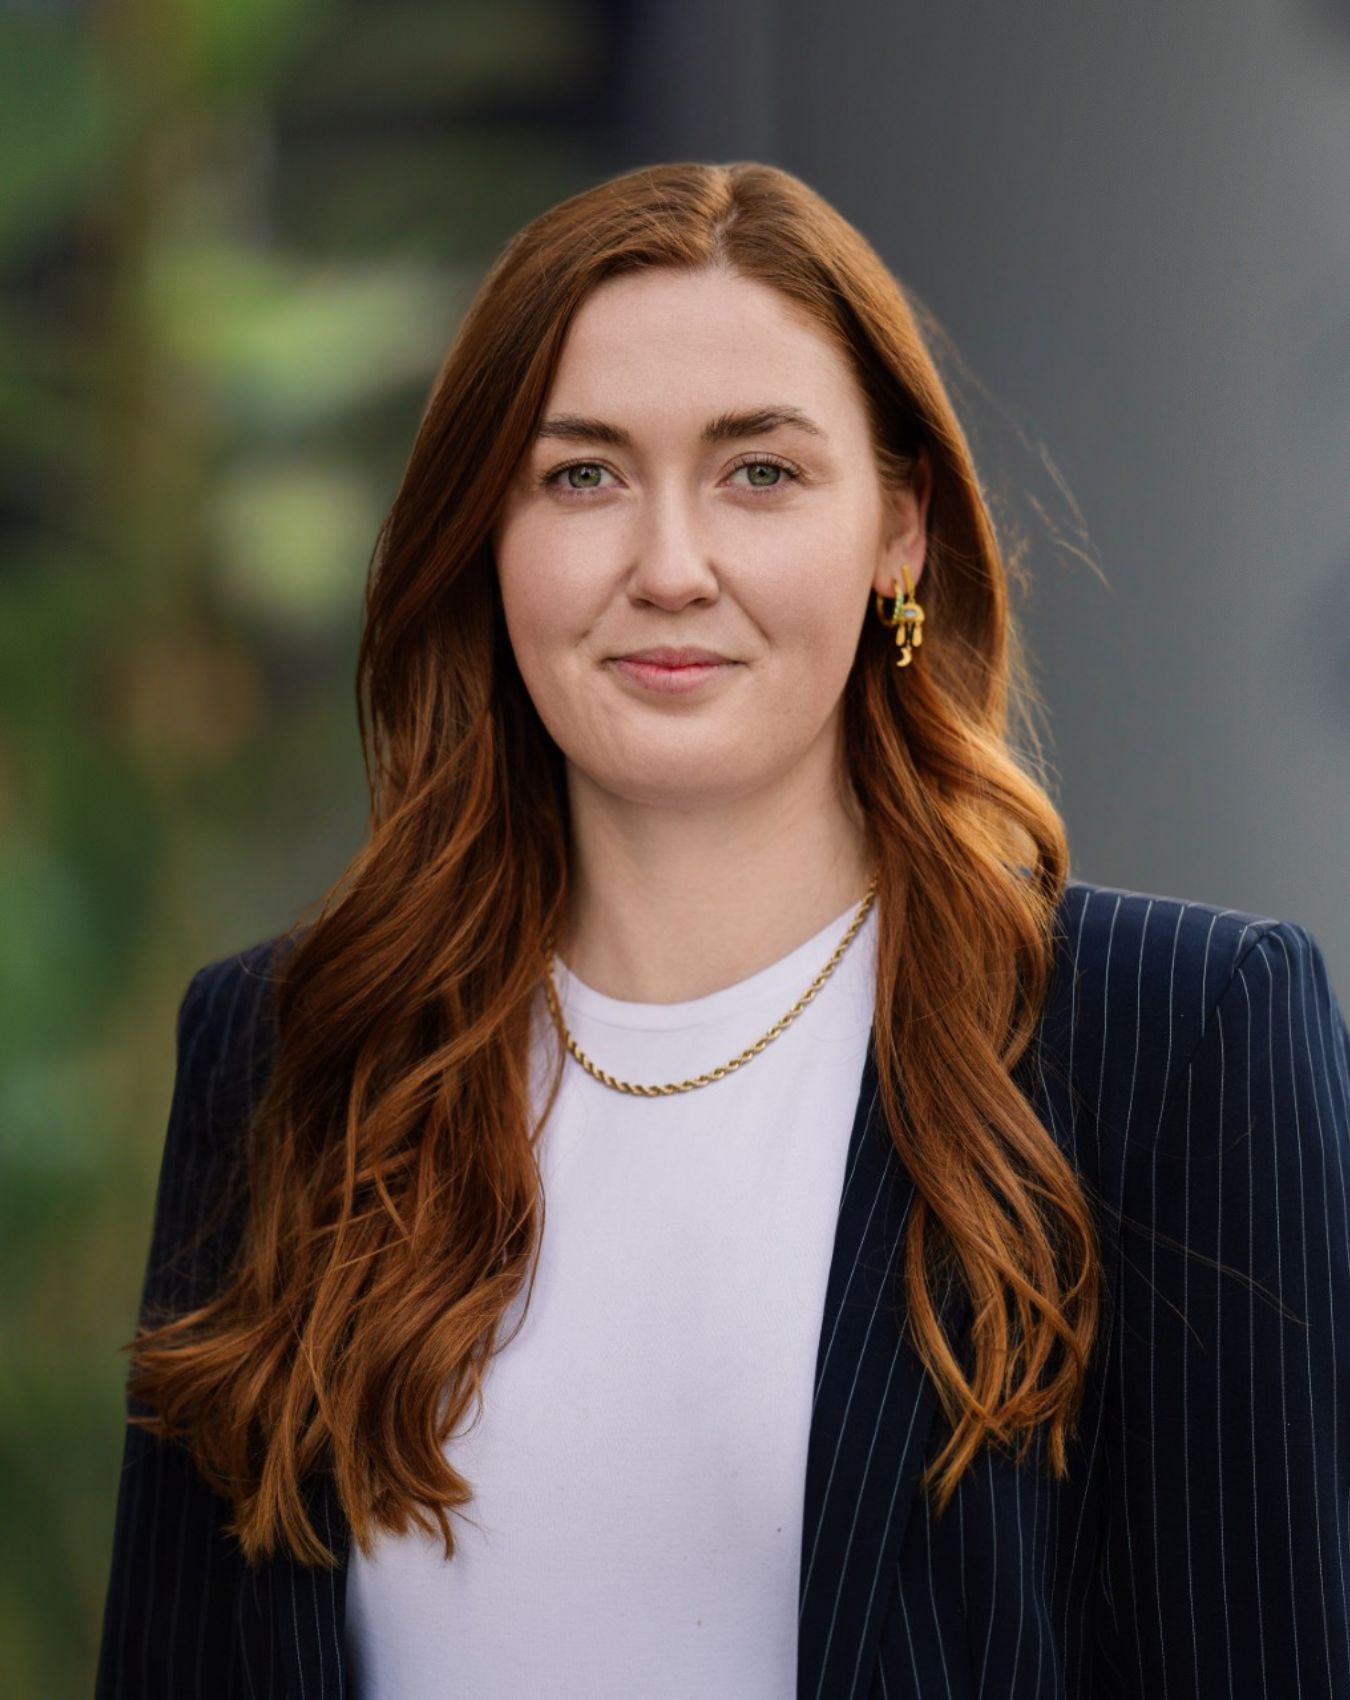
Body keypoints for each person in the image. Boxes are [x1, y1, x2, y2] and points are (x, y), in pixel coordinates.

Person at [94, 160, 1350, 1700]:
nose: (670, 566)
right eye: (582, 476)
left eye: (758, 472)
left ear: (896, 533)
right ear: (486, 542)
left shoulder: (1180, 1034)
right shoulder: (293, 1051)